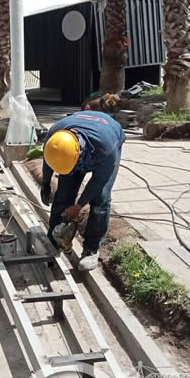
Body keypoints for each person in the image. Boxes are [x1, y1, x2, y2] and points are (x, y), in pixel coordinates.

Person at [40, 110, 126, 271]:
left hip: (107, 136)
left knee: (101, 199)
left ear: (78, 156)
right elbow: (48, 160)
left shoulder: (106, 150)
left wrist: (78, 206)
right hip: (77, 144)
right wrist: (45, 182)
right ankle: (54, 240)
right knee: (63, 195)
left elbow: (98, 181)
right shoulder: (54, 137)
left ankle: (91, 248)